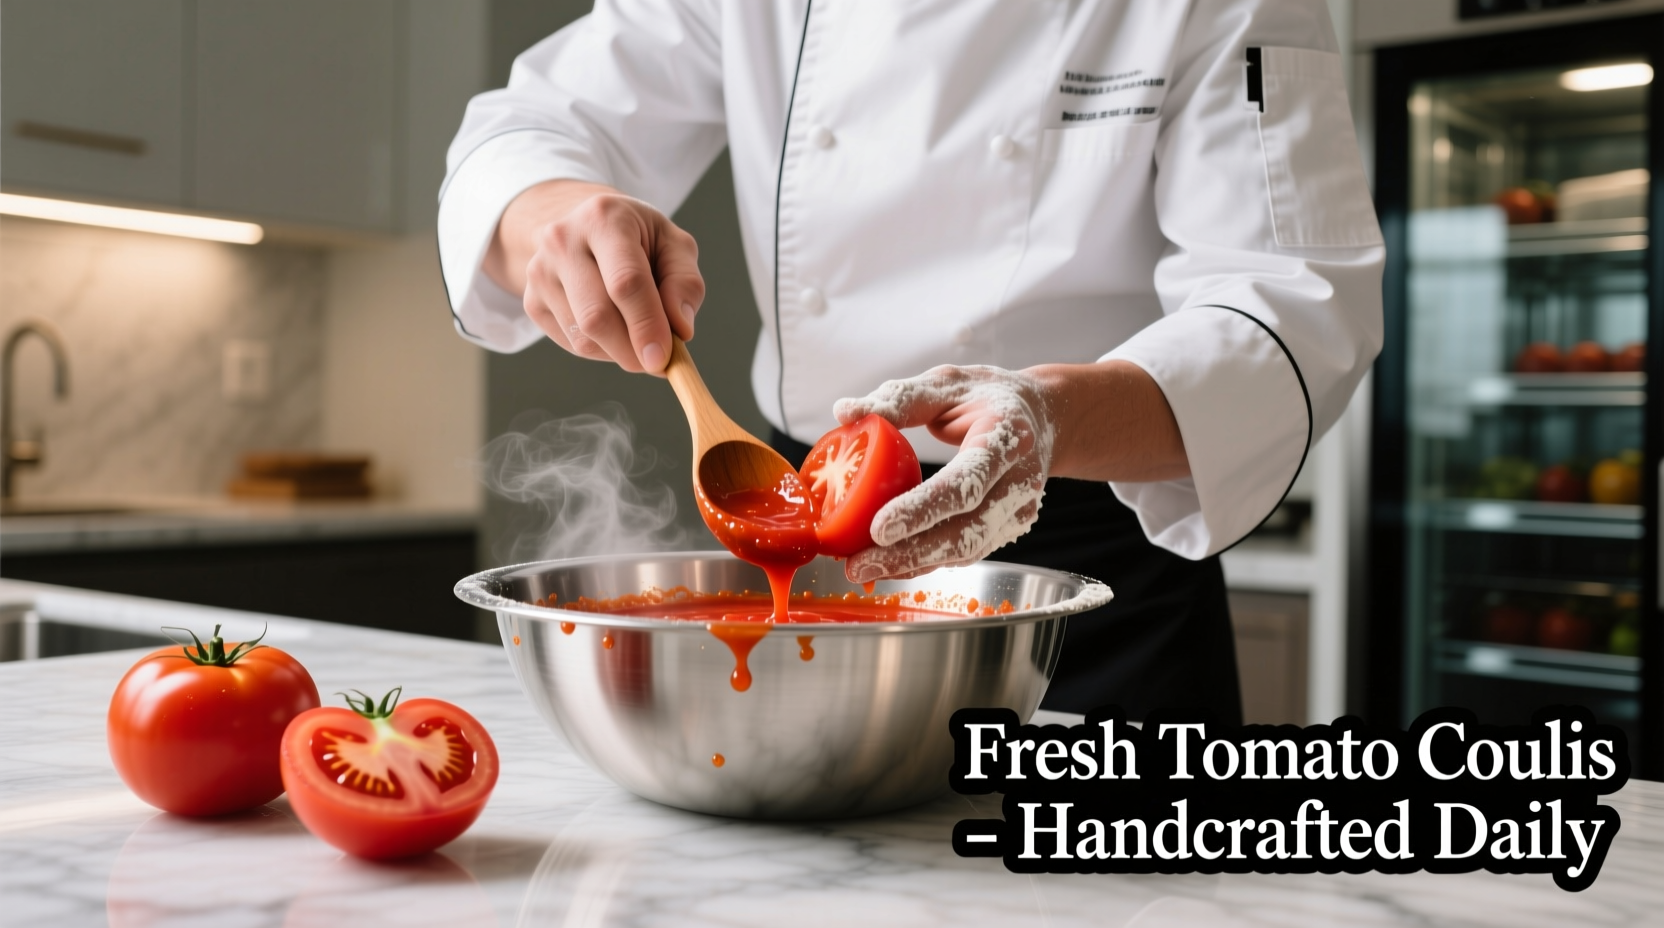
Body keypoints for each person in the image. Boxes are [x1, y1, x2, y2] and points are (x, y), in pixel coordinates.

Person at [437, 0, 1383, 724]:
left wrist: (1049, 415)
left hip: (1088, 586)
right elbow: (528, 127)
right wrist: (553, 218)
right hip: (807, 548)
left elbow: (1295, 298)